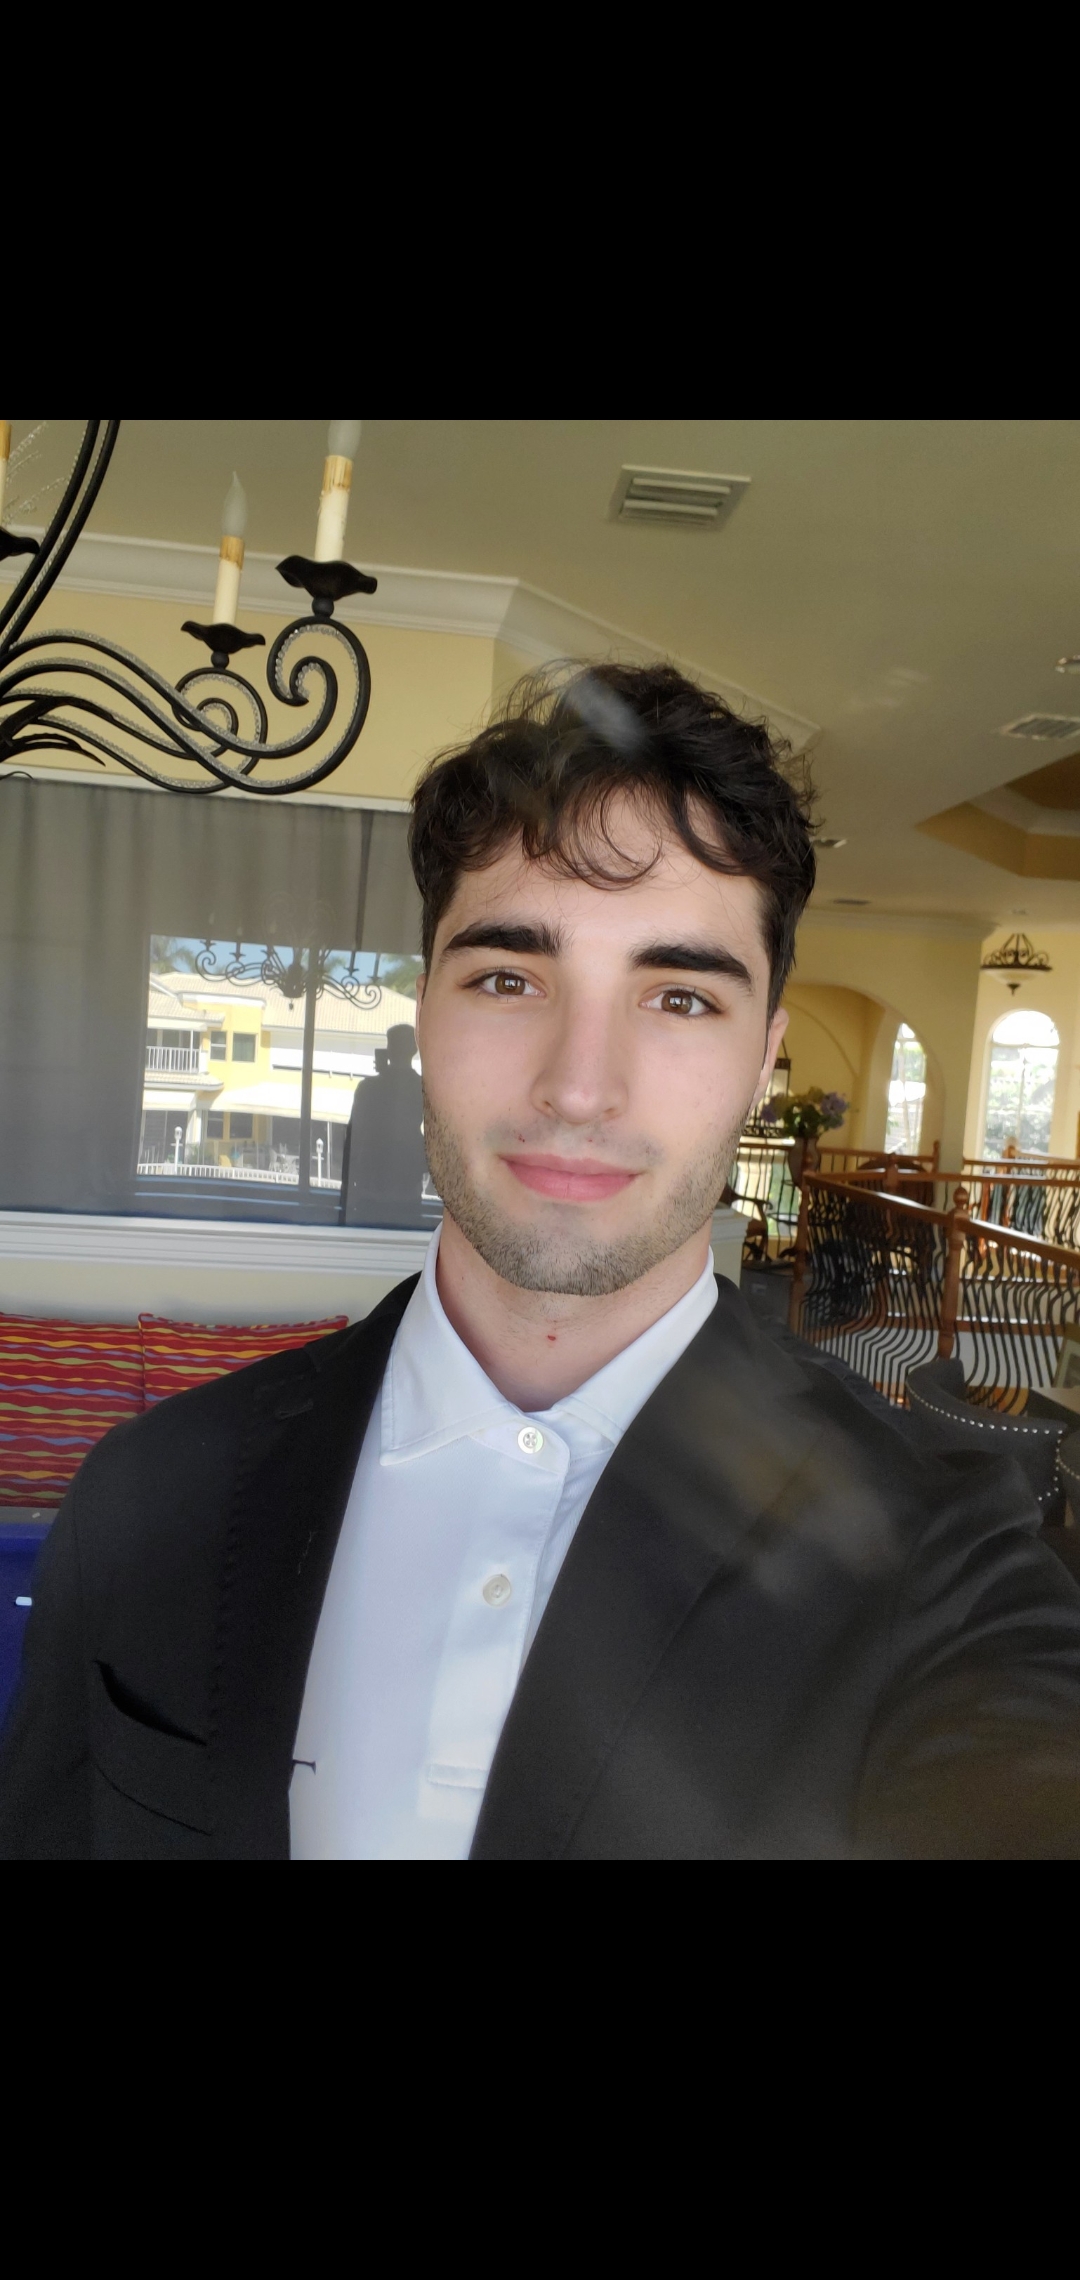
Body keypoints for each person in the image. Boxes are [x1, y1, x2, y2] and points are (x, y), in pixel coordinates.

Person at [3, 662, 1080, 1860]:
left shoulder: (943, 1567)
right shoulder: (150, 1495)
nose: (579, 1086)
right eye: (509, 979)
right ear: (425, 1015)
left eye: (680, 998)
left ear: (763, 1056)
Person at [339, 1024, 427, 1226]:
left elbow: (352, 1138)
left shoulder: (368, 1088)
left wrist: (346, 1189)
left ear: (389, 1049)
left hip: (370, 1187)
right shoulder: (423, 1088)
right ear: (414, 1049)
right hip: (407, 1190)